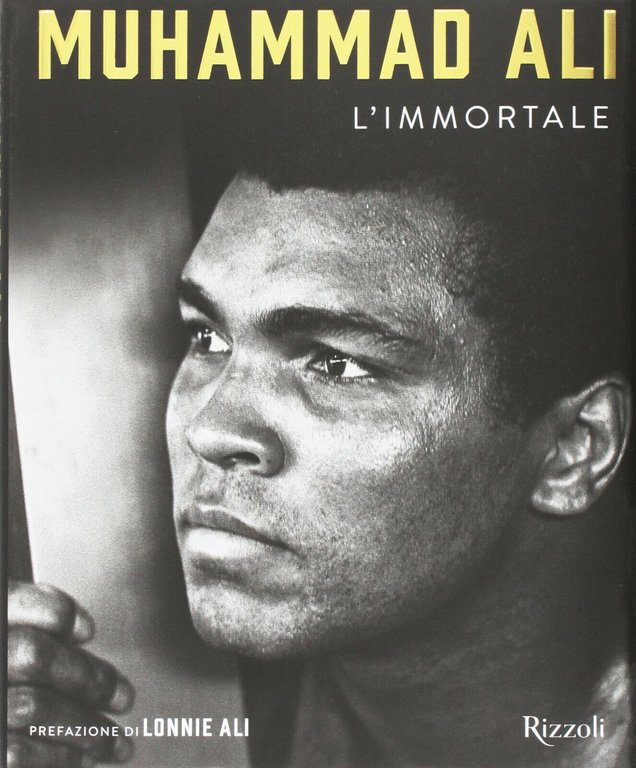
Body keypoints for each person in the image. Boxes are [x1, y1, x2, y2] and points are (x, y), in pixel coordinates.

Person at [7, 135, 633, 767]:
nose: (209, 431)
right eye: (208, 338)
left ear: (574, 449)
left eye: (336, 364)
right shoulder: (153, 721)